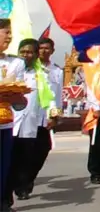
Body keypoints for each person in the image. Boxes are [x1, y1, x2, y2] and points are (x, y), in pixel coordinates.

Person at [11, 38, 57, 202]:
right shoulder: (10, 71)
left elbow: (51, 98)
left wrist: (53, 115)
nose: (25, 55)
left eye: (29, 52)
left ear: (36, 55)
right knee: (9, 160)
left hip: (31, 123)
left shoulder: (42, 76)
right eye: (22, 52)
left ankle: (22, 187)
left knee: (26, 159)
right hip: (10, 123)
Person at [0, 20, 29, 212]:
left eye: (11, 33)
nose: (10, 37)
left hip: (5, 123)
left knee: (3, 167)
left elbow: (21, 104)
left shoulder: (15, 63)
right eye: (6, 33)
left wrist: (16, 96)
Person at [34, 38, 62, 186]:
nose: (44, 51)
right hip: (31, 115)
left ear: (52, 51)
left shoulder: (57, 70)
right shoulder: (32, 68)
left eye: (47, 48)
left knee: (44, 148)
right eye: (41, 48)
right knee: (26, 151)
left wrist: (55, 115)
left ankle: (29, 178)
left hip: (46, 117)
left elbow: (57, 95)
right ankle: (23, 184)